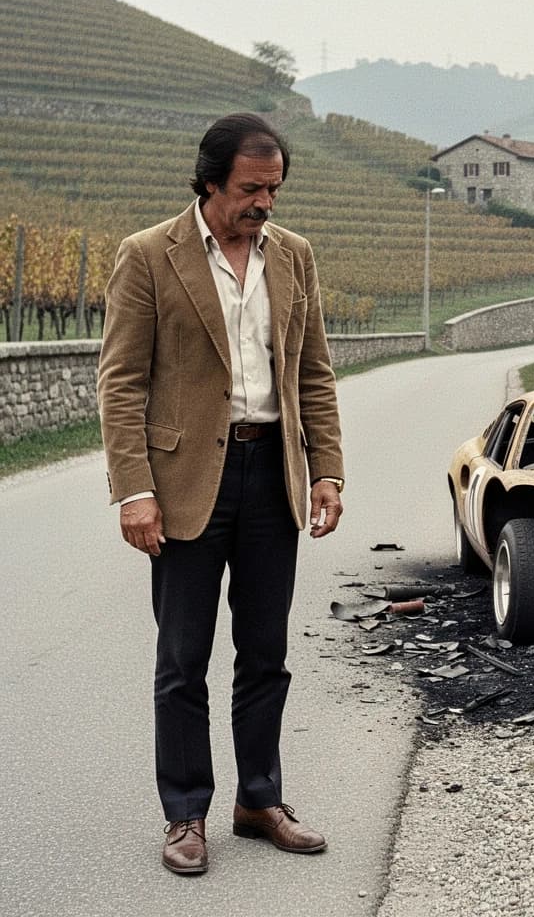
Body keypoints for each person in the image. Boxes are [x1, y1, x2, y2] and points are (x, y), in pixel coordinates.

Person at [97, 113, 344, 875]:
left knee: (266, 653)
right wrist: (134, 489)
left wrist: (327, 470)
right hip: (183, 485)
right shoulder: (147, 255)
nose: (264, 202)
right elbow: (121, 382)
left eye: (273, 188)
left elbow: (313, 374)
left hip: (274, 476)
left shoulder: (293, 256)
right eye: (249, 188)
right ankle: (185, 815)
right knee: (183, 660)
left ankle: (258, 800)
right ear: (209, 181)